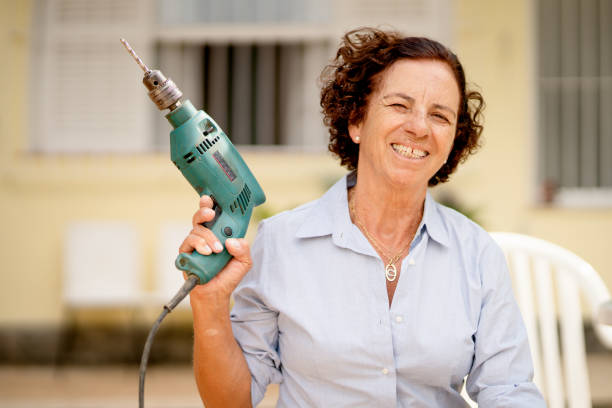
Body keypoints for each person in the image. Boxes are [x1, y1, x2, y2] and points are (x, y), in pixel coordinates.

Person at [180, 27, 545, 407]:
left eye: (440, 115)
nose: (419, 127)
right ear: (356, 120)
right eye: (400, 106)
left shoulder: (477, 254)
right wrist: (210, 304)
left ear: (453, 139)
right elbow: (230, 401)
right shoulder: (282, 242)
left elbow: (509, 391)